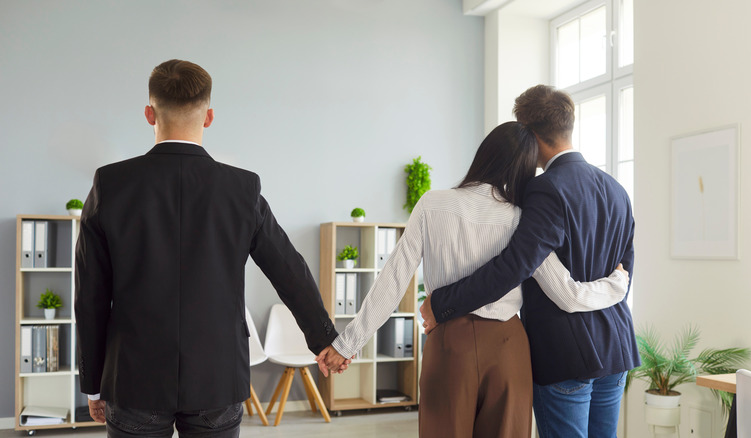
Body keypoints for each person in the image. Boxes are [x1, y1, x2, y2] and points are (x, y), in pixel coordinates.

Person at [74, 59, 339, 438]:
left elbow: (90, 296)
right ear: (209, 117)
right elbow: (288, 269)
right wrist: (325, 339)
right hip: (218, 376)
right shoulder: (242, 189)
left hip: (134, 378)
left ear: (149, 114)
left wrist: (93, 383)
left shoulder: (110, 184)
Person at [317, 122, 631, 438]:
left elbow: (393, 279)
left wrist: (347, 344)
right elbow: (568, 294)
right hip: (509, 350)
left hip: (449, 346)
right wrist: (617, 284)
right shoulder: (522, 218)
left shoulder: (432, 204)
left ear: (485, 154)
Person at [419, 85, 639, 438]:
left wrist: (441, 303)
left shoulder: (545, 188)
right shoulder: (616, 189)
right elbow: (624, 274)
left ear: (530, 134)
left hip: (565, 356)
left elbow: (514, 265)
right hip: (617, 347)